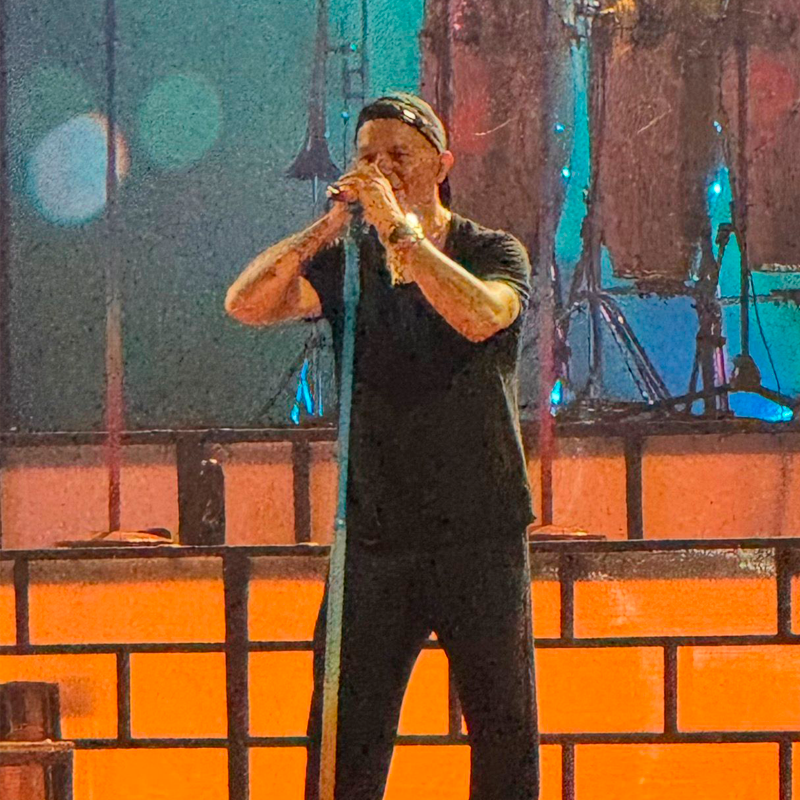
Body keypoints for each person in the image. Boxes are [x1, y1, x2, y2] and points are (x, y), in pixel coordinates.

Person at [225, 92, 539, 800]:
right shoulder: (349, 268)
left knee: (502, 729)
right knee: (344, 735)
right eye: (368, 155)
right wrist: (325, 229)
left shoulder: (491, 251)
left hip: (479, 532)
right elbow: (245, 304)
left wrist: (402, 231)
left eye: (399, 154)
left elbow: (481, 317)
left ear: (442, 165)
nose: (382, 168)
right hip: (373, 536)